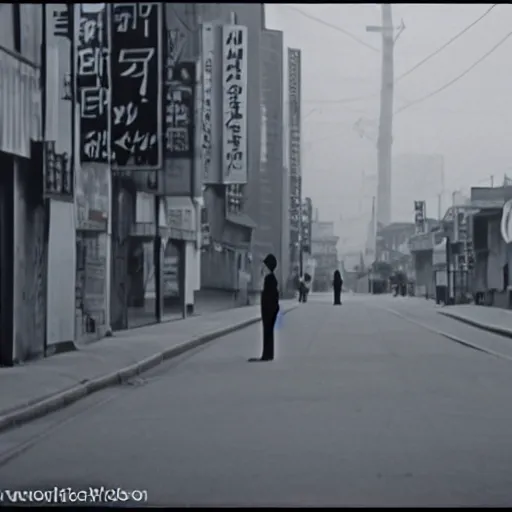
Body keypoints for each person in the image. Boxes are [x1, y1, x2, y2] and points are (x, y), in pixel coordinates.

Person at [249, 254, 280, 362]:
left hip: (269, 310)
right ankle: (268, 354)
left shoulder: (269, 279)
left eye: (265, 265)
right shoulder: (271, 279)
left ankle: (266, 355)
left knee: (267, 331)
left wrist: (269, 310)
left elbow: (270, 297)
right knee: (269, 332)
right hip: (271, 309)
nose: (263, 267)